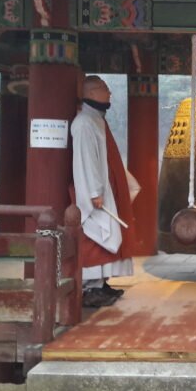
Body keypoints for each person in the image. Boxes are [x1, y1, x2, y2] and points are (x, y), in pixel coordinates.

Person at [71, 75, 139, 308]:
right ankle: (90, 287)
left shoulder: (96, 120)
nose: (109, 93)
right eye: (104, 88)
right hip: (96, 193)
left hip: (105, 189)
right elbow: (86, 161)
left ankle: (100, 283)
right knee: (96, 235)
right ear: (90, 93)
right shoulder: (83, 123)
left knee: (109, 233)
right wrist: (93, 192)